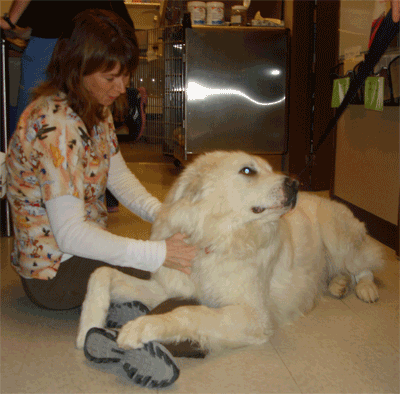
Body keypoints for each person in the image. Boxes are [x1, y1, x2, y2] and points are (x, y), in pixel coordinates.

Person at [5, 9, 199, 386]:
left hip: (79, 255)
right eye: (110, 77)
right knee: (176, 281)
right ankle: (132, 334)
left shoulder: (95, 107)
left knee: (162, 271)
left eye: (125, 76)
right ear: (78, 68)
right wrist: (159, 253)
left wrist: (165, 216)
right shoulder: (56, 125)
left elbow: (118, 177)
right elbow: (71, 236)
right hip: (55, 275)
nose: (120, 87)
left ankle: (119, 326)